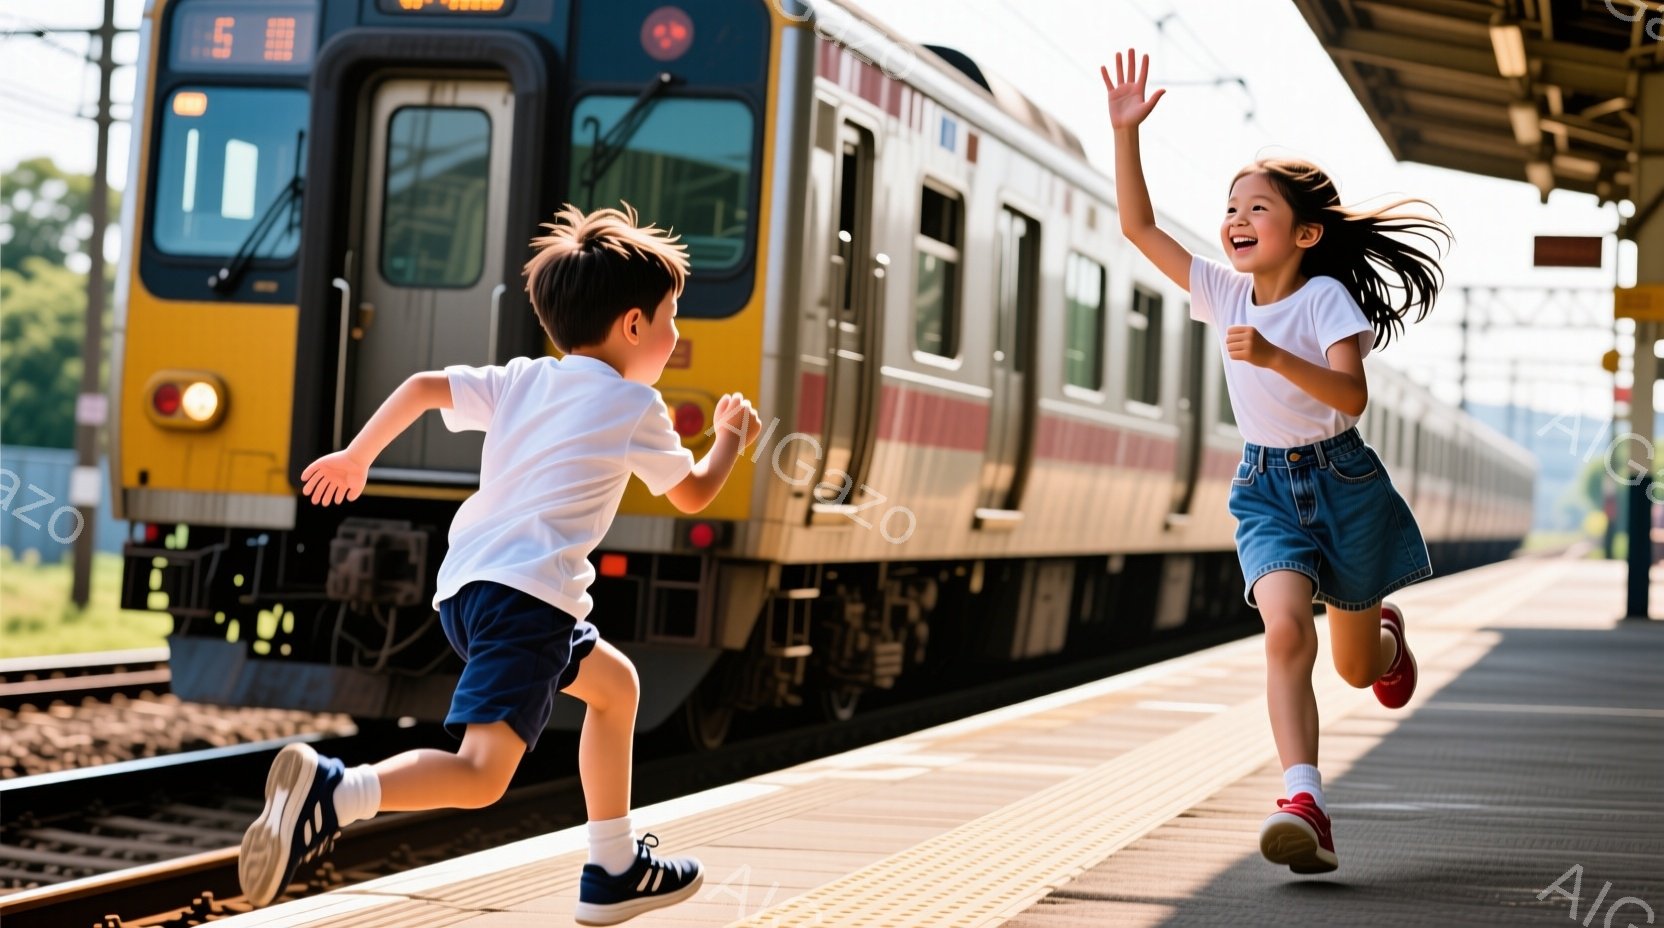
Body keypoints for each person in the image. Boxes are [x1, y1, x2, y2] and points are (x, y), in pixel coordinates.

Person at [238, 204, 762, 924]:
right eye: (671, 319)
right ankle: (336, 792)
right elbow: (696, 492)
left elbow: (423, 387)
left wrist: (358, 454)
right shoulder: (634, 405)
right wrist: (732, 437)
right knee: (482, 776)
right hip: (531, 600)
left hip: (469, 590)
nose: (676, 338)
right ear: (633, 325)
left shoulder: (524, 379)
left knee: (615, 687)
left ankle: (614, 866)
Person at [1102, 50, 1449, 874]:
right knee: (1286, 633)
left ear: (1305, 233)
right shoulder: (1222, 291)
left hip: (1344, 482)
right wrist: (1125, 136)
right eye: (1230, 207)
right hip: (1265, 488)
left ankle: (1388, 645)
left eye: (1256, 207)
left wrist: (1272, 357)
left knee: (1358, 668)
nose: (1235, 219)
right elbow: (1138, 228)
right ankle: (1305, 801)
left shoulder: (1326, 299)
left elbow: (1352, 397)